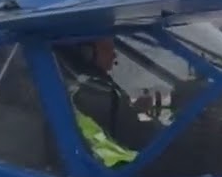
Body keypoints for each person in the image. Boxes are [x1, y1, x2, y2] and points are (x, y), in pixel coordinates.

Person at [58, 36, 165, 168]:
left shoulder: (73, 85)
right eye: (108, 49)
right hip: (107, 174)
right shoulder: (86, 91)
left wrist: (135, 109)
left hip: (104, 169)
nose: (114, 55)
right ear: (87, 52)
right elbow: (139, 136)